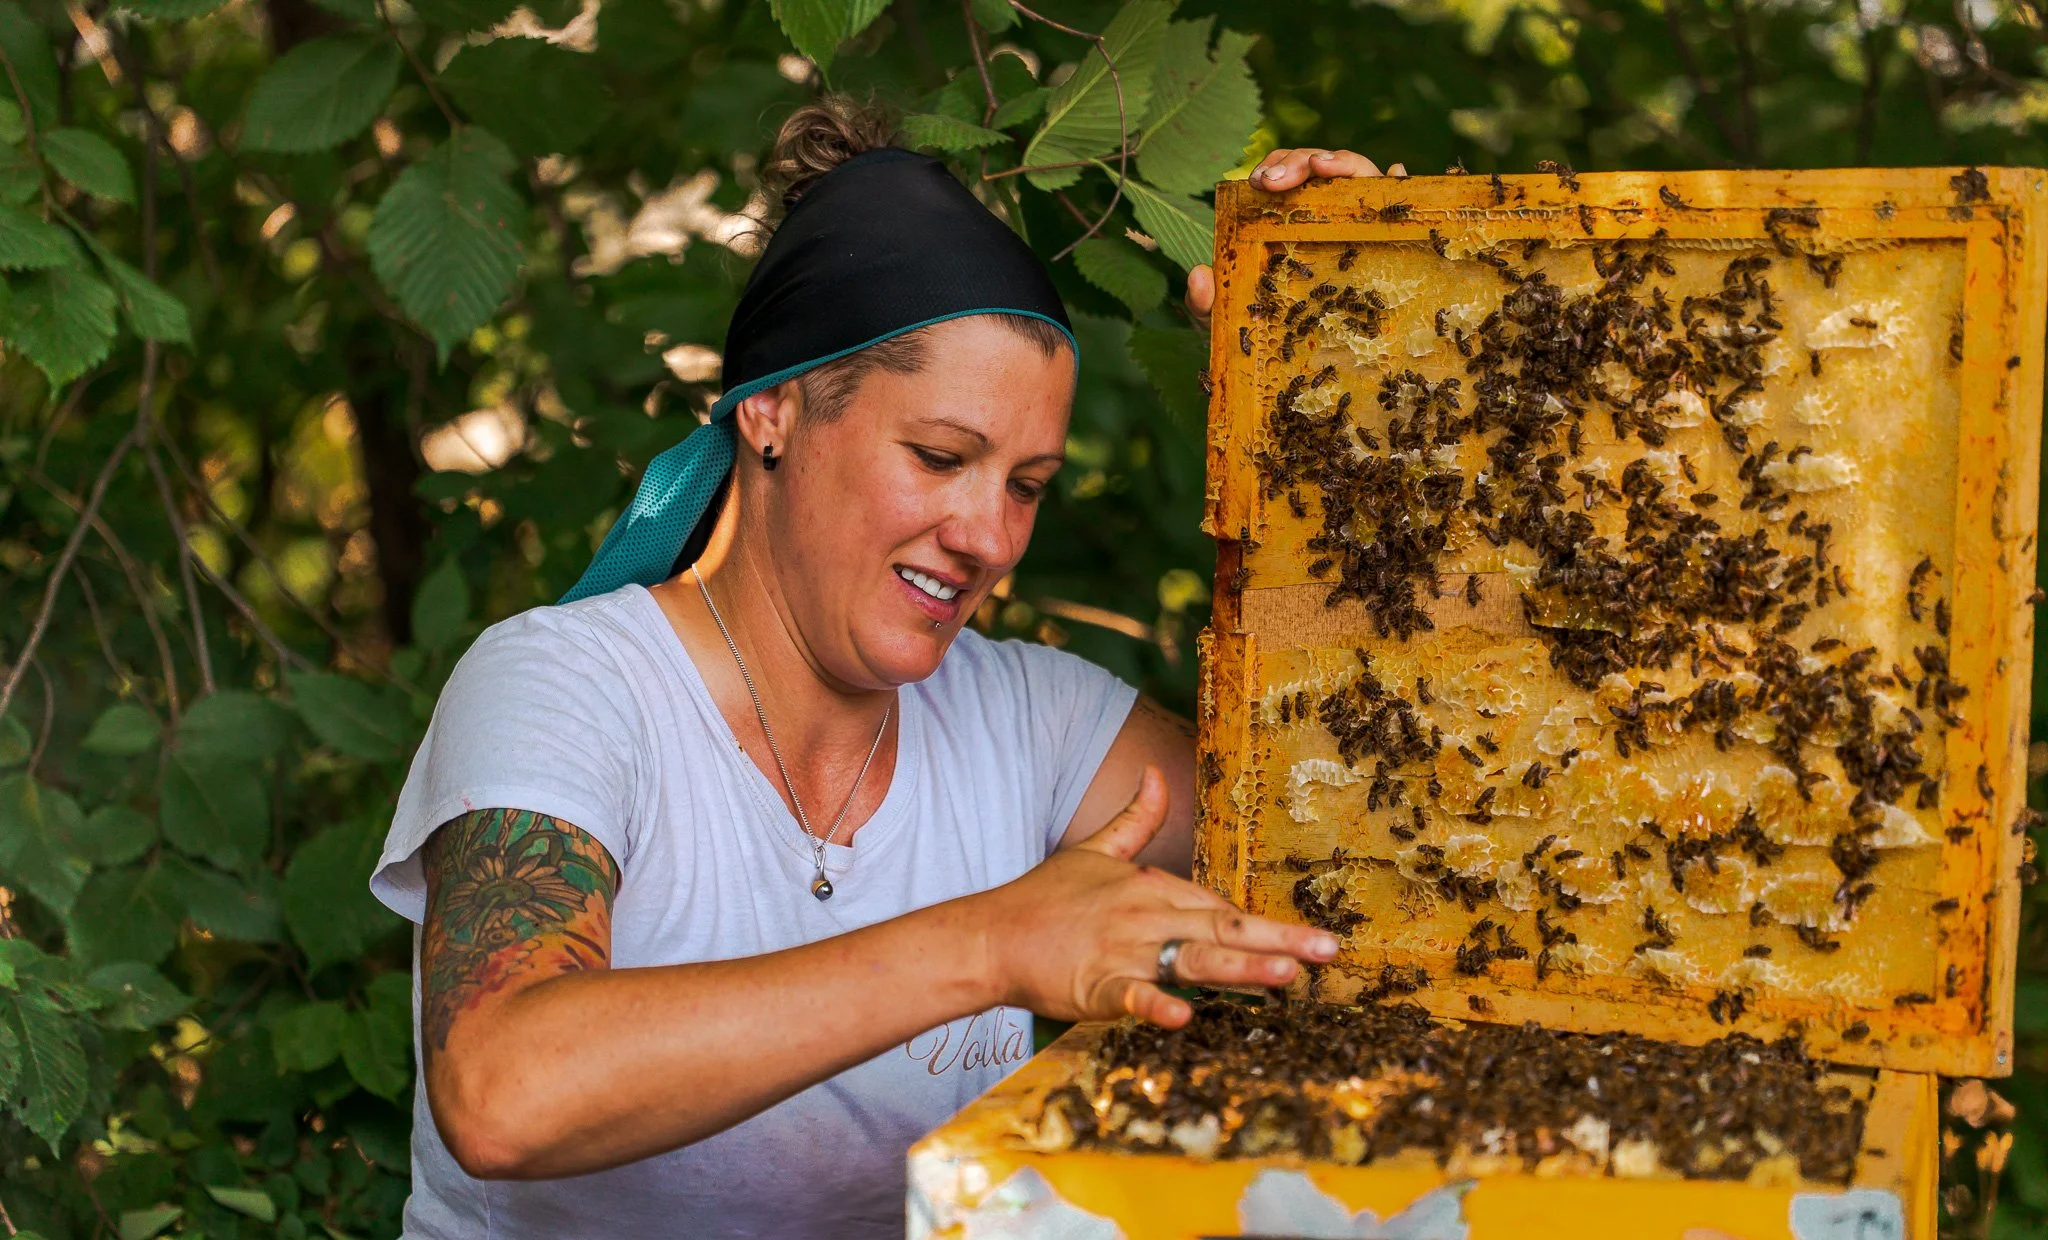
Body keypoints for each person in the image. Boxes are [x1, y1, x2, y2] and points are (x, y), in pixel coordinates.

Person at [368, 97, 1399, 1239]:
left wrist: (1340, 416)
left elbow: (1361, 850)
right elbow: (505, 1091)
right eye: (940, 456)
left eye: (1024, 484)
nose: (989, 537)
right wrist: (994, 942)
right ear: (773, 409)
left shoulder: (1030, 720)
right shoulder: (563, 685)